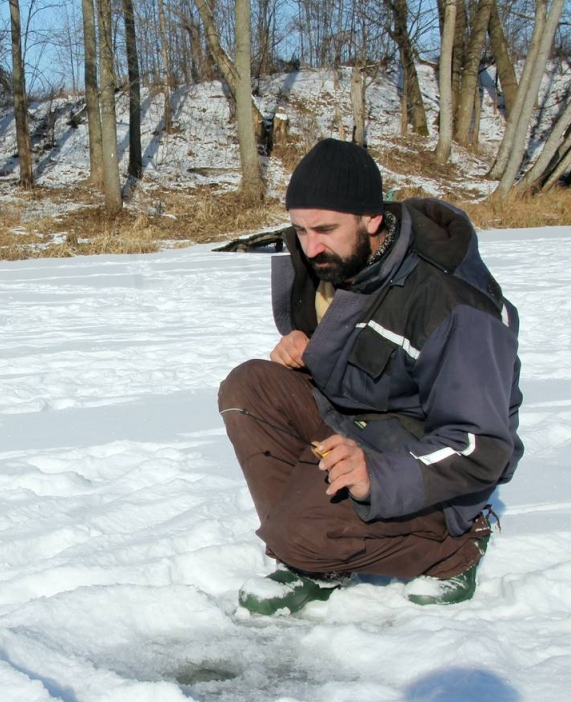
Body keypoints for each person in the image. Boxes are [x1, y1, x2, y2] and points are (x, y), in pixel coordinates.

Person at [218, 139, 523, 614]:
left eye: (324, 229)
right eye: (299, 229)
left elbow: (480, 444)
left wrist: (377, 476)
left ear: (372, 219)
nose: (310, 245)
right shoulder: (339, 259)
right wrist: (304, 343)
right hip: (361, 427)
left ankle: (454, 548)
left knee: (301, 532)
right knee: (248, 387)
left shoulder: (450, 303)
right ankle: (314, 550)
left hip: (435, 466)